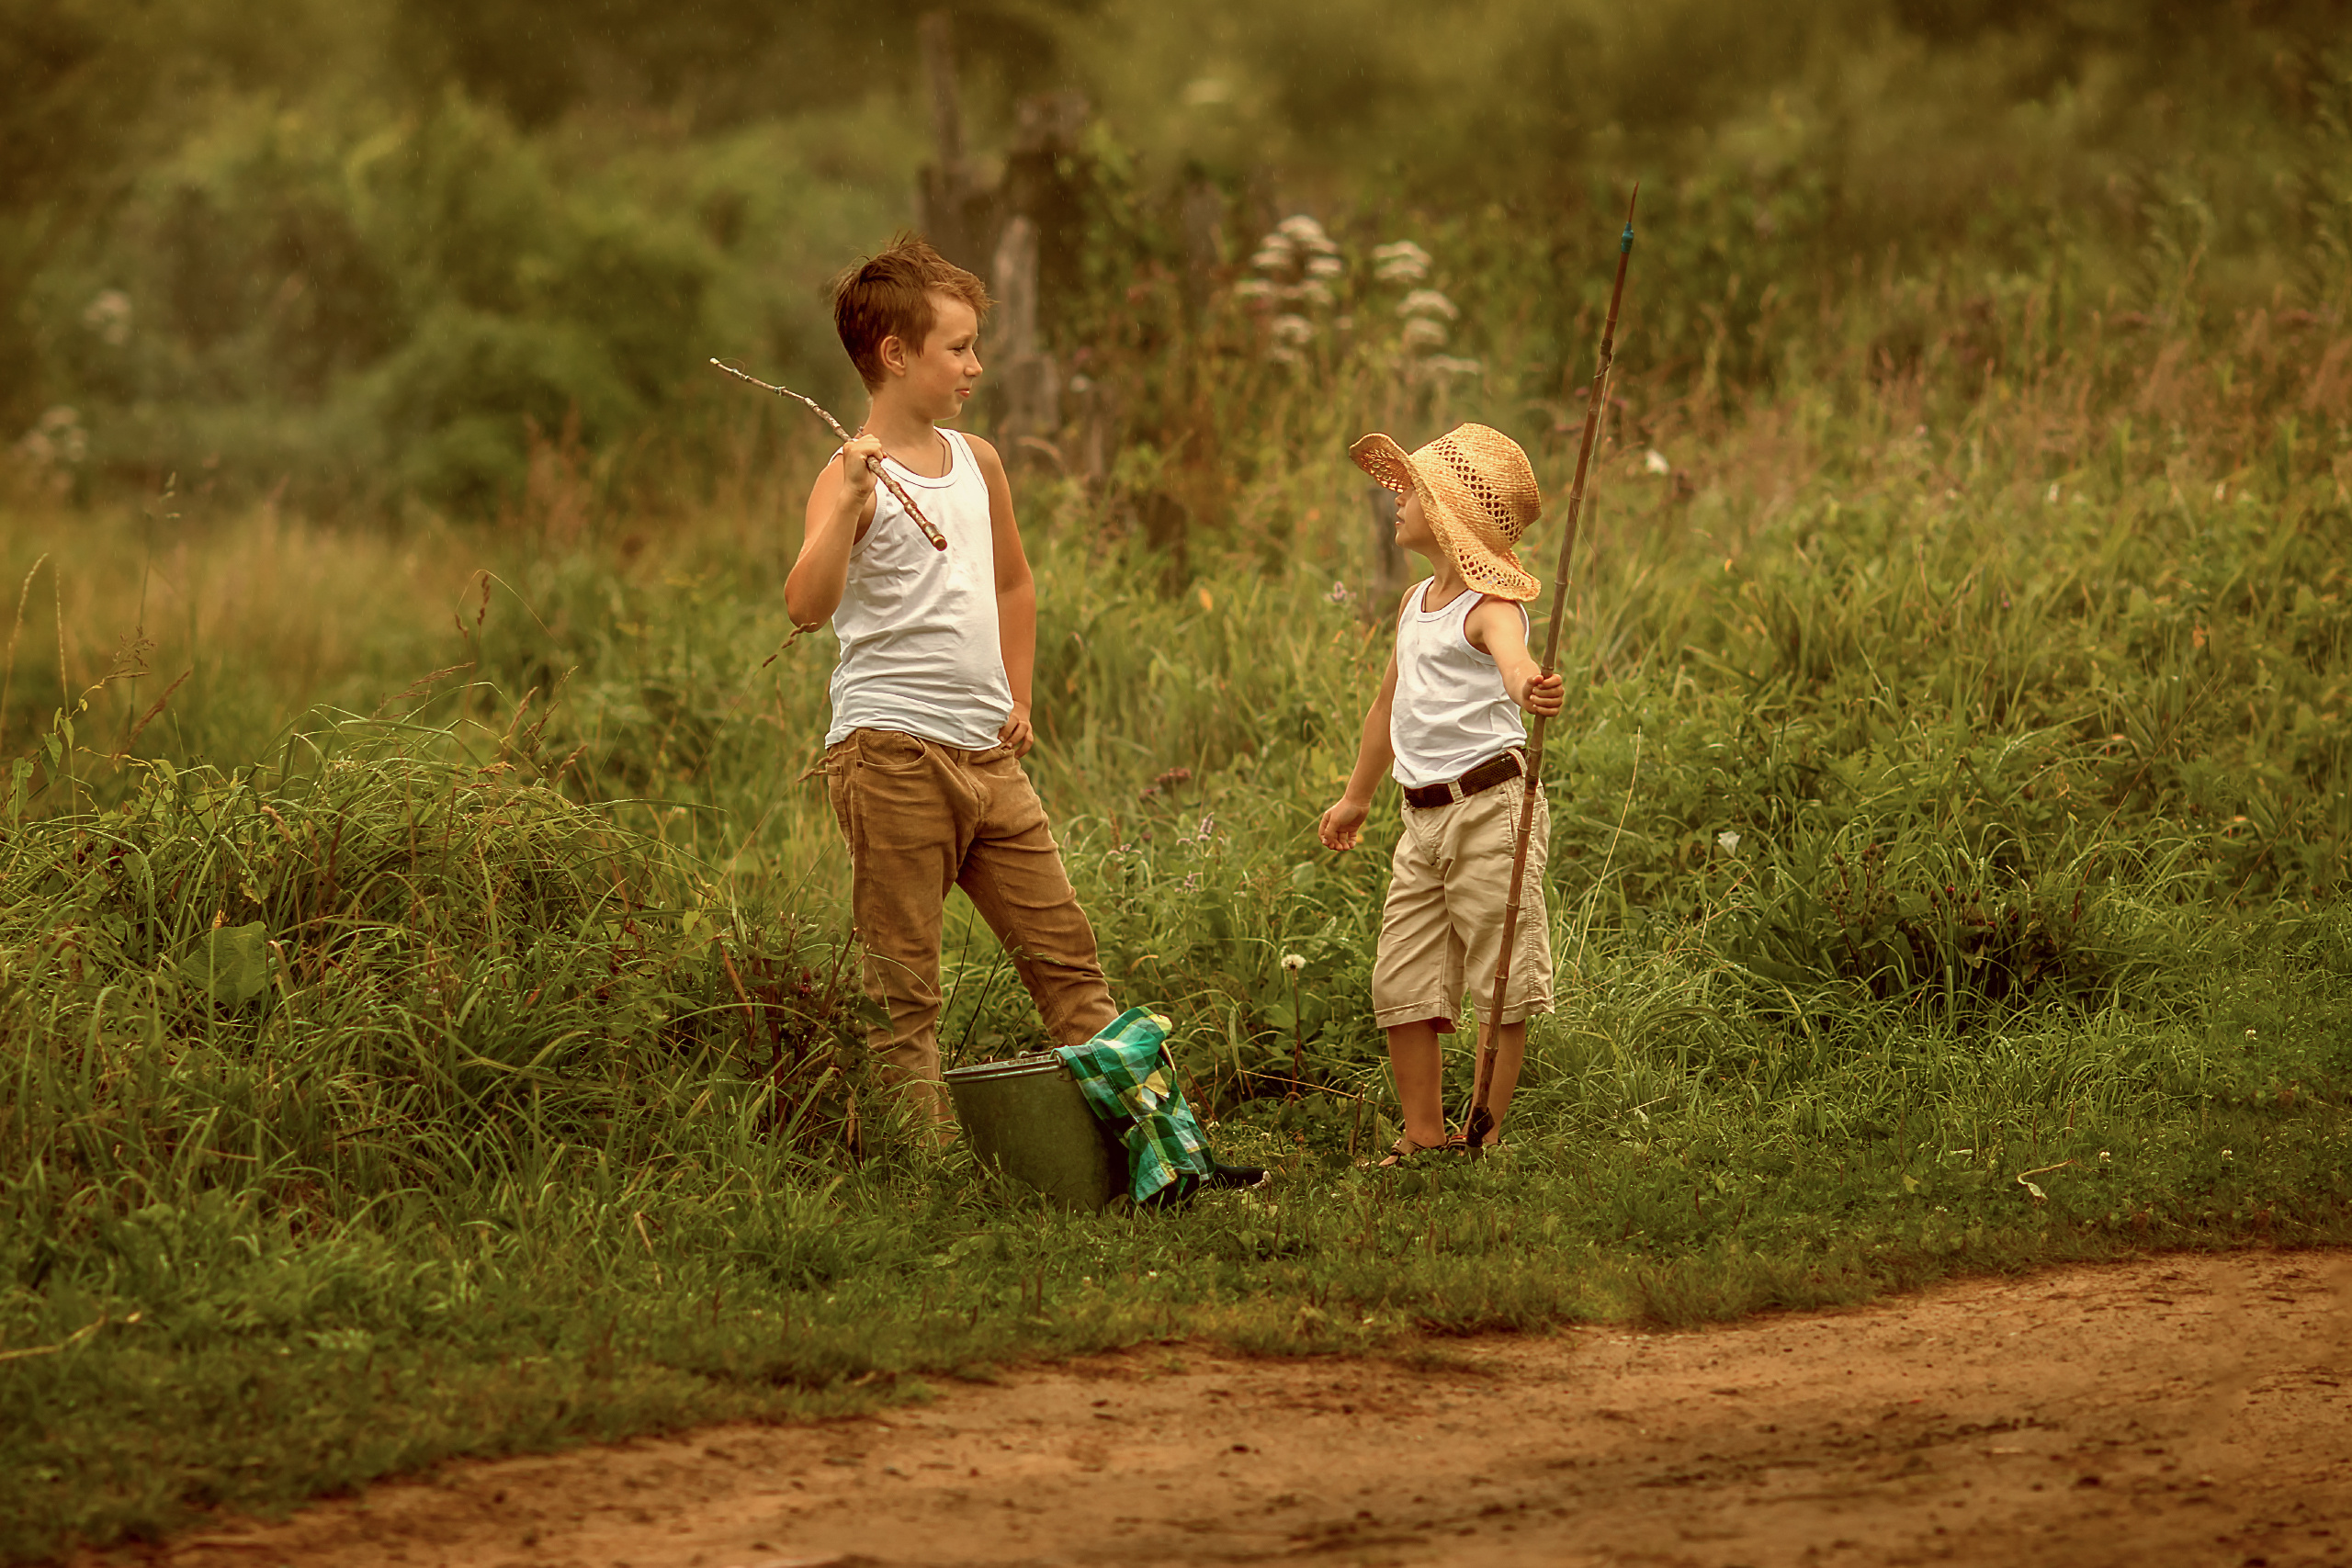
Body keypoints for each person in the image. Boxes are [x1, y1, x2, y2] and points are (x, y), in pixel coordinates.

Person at [785, 235, 1261, 1195]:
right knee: (906, 989)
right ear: (894, 355)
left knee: (1069, 961)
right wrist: (845, 505)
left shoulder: (978, 461)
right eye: (956, 348)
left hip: (988, 762)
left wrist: (1020, 694)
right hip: (891, 756)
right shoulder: (851, 475)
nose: (974, 366)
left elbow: (1012, 583)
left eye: (972, 346)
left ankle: (1164, 1159)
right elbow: (805, 606)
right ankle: (932, 1183)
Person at [1316, 423, 1564, 1161]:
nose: (1396, 500)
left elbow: (1515, 664)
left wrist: (1531, 687)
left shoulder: (1490, 607)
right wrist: (1357, 796)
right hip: (1419, 816)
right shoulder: (1416, 602)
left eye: (1413, 492)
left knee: (1501, 975)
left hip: (1490, 809)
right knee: (1402, 976)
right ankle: (1421, 1134)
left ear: (1452, 516)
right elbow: (1386, 708)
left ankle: (1479, 1137)